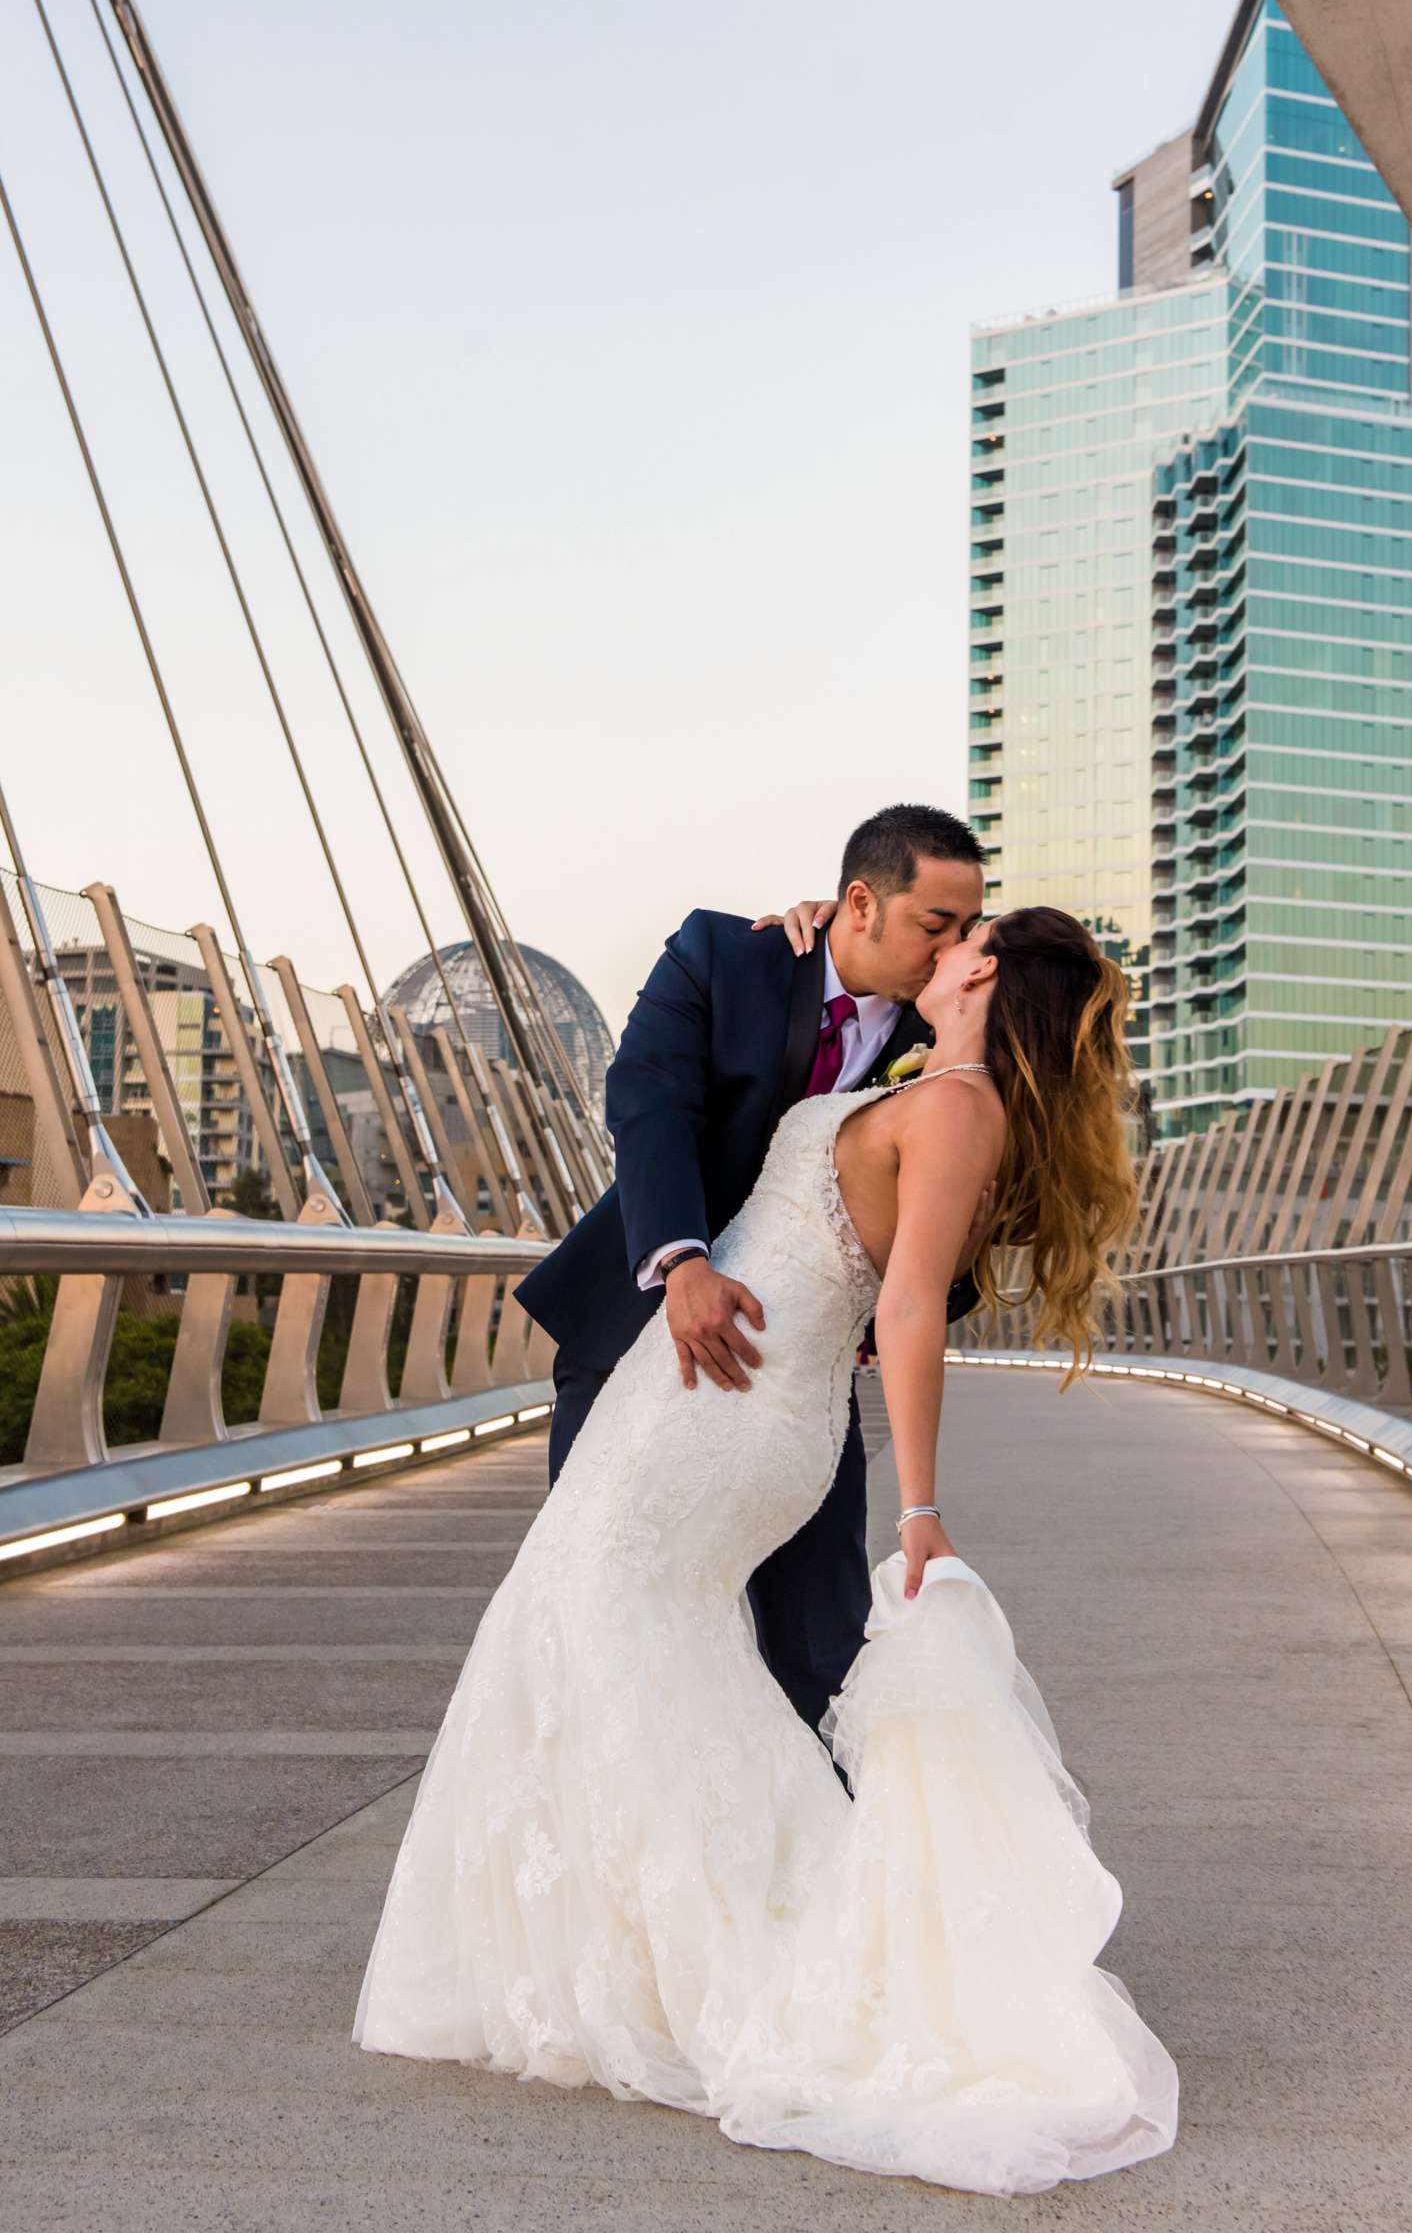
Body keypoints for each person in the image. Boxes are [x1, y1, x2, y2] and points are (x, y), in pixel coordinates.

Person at [353, 898, 1180, 2195]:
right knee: (595, 1630)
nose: (945, 942)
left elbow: (908, 1308)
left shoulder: (959, 1106)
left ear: (986, 979)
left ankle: (733, 1949)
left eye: (966, 935)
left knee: (609, 1627)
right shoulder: (915, 1080)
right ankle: (646, 1934)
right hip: (688, 1391)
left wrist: (917, 1507)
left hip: (740, 1410)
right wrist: (799, 931)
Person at [511, 802, 988, 1734]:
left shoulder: (945, 1037)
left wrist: (865, 1309)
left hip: (794, 1376)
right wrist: (680, 1260)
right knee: (601, 1608)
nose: (952, 949)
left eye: (969, 929)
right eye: (938, 924)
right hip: (637, 1337)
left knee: (822, 1647)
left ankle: (833, 1859)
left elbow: (953, 1242)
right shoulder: (724, 956)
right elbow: (648, 1102)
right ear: (860, 903)